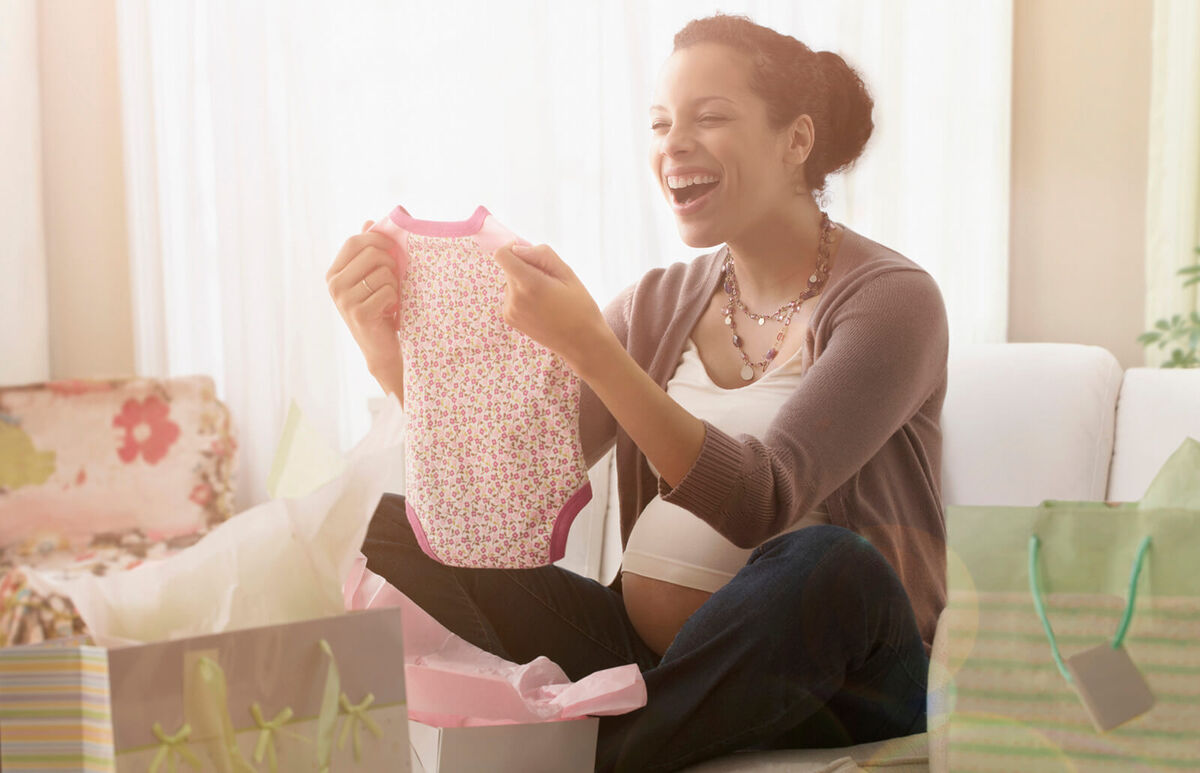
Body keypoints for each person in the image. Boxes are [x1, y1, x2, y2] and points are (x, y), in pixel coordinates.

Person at [325, 12, 947, 772]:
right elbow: (505, 491)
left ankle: (590, 756)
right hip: (652, 658)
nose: (672, 145)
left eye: (708, 117)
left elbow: (763, 497)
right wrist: (388, 355)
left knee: (831, 562)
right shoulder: (657, 303)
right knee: (377, 530)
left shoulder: (893, 301)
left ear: (797, 142)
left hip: (846, 672)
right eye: (660, 124)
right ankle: (627, 733)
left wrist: (589, 346)